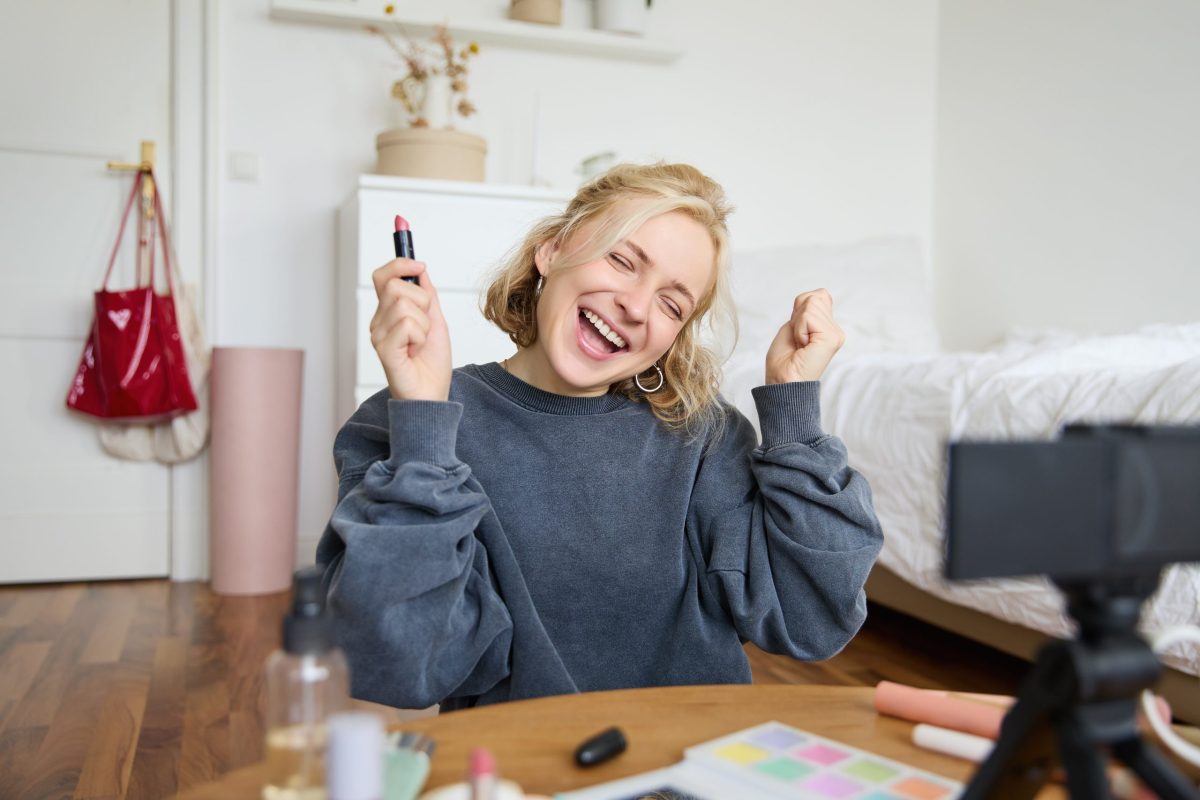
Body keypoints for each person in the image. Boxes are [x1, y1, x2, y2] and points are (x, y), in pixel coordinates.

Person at [316, 162, 883, 711]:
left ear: (674, 337)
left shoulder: (702, 438)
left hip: (686, 768)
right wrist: (421, 424)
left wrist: (793, 408)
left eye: (671, 303)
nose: (636, 307)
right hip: (517, 775)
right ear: (551, 250)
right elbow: (398, 661)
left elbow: (810, 622)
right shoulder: (421, 420)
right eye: (621, 260)